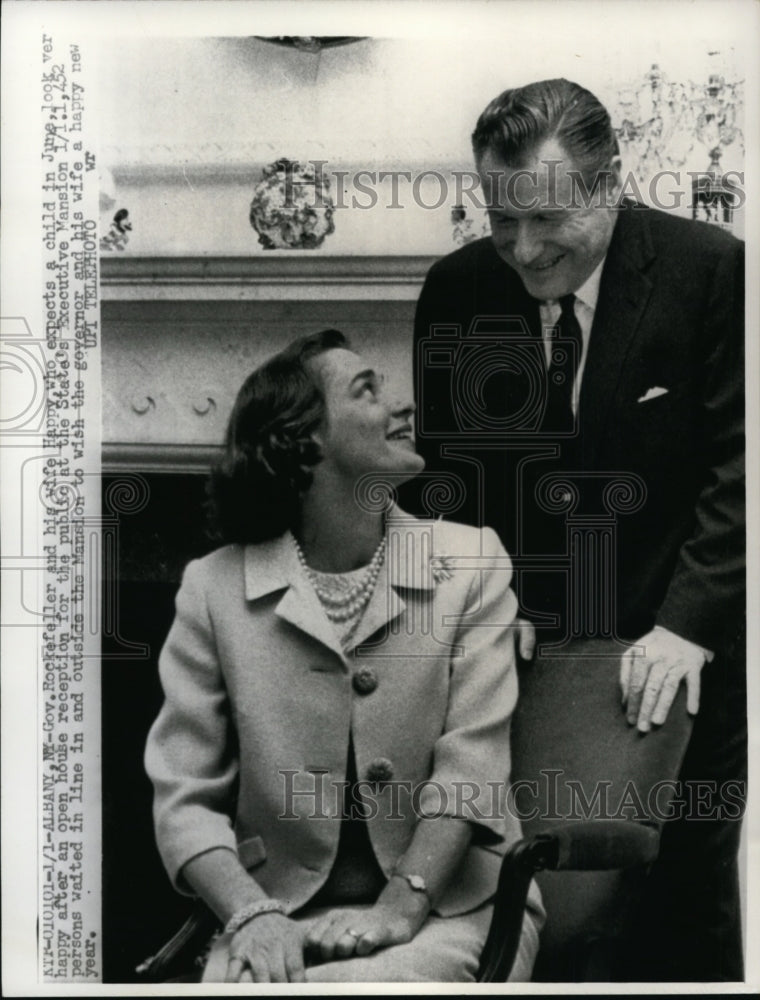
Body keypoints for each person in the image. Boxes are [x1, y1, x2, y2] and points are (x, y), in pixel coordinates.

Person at [411, 79, 745, 981]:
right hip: (514, 663)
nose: (523, 249)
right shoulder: (456, 291)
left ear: (610, 184)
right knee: (529, 908)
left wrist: (686, 626)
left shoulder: (711, 271)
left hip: (676, 654)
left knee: (682, 908)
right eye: (500, 218)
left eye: (548, 218)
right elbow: (453, 480)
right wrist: (493, 595)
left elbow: (737, 473)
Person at [145, 329, 543, 983]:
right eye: (368, 391)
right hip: (277, 912)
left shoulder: (471, 562)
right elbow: (183, 800)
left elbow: (470, 771)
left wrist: (398, 910)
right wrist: (251, 914)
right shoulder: (213, 588)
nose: (405, 407)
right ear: (305, 438)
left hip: (452, 908)